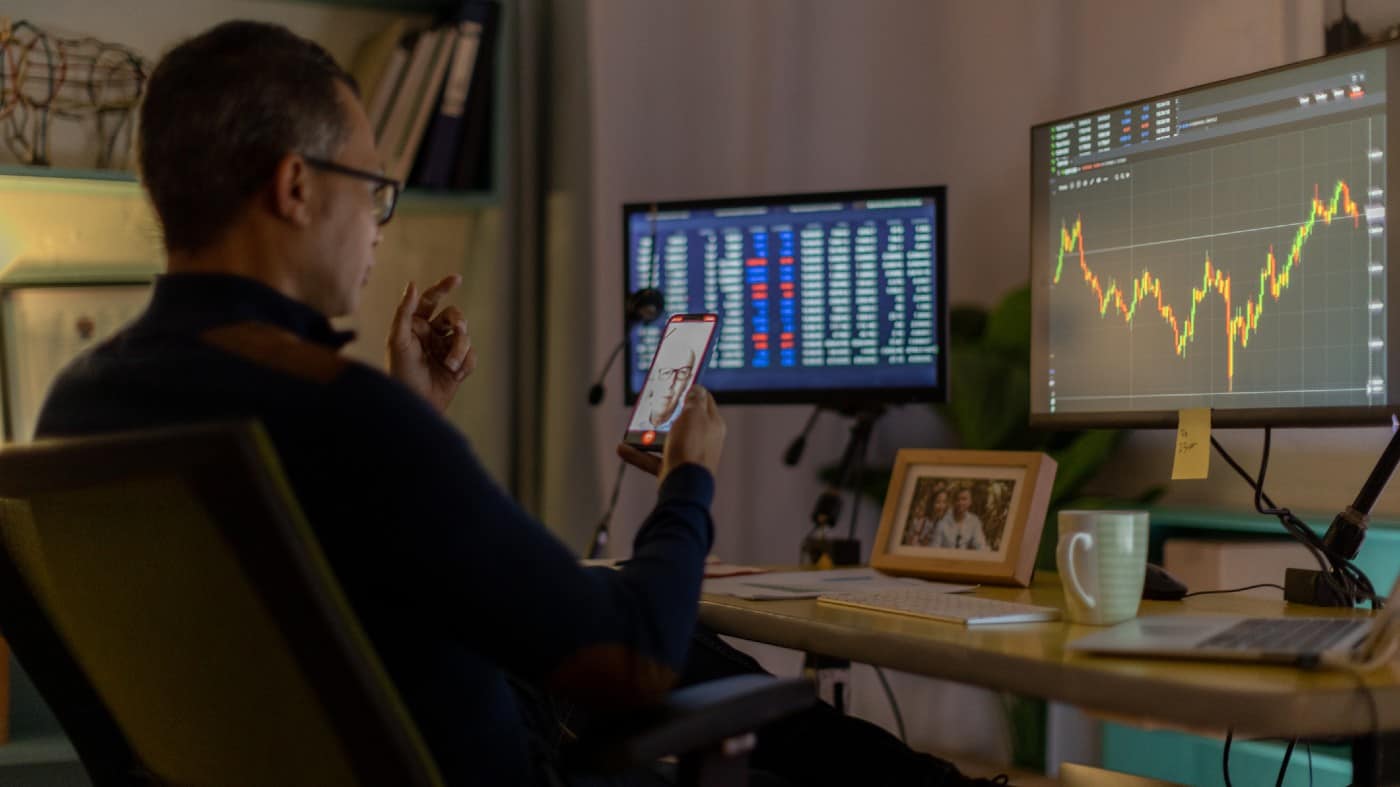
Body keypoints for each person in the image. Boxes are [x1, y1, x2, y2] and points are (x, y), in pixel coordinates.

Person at [36, 22, 1002, 787]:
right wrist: (689, 477)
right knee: (699, 665)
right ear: (295, 186)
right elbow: (632, 657)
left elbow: (316, 597)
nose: (377, 224)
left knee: (696, 650)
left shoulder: (77, 407)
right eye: (374, 188)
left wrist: (411, 413)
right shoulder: (341, 412)